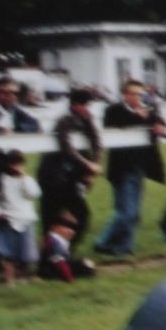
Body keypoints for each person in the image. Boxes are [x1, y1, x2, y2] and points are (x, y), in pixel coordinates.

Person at [95, 79, 166, 257]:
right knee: (126, 213)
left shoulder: (148, 110)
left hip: (139, 168)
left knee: (132, 213)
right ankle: (107, 243)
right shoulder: (113, 111)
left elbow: (160, 122)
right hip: (121, 169)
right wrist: (139, 117)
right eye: (134, 94)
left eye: (140, 94)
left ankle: (122, 246)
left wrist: (160, 125)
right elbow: (115, 127)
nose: (138, 98)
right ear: (125, 95)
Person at [43, 88, 105, 254]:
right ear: (75, 105)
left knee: (81, 215)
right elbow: (66, 148)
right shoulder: (64, 121)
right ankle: (52, 255)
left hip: (70, 179)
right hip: (53, 177)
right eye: (84, 104)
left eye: (88, 104)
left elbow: (97, 142)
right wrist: (88, 165)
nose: (87, 108)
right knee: (52, 217)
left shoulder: (86, 119)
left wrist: (94, 166)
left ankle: (64, 250)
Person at [0, 150, 41, 284]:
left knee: (26, 253)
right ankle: (10, 279)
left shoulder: (27, 180)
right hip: (9, 219)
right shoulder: (1, 181)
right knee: (8, 254)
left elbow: (34, 194)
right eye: (13, 164)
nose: (16, 167)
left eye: (19, 164)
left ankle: (24, 278)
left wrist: (23, 178)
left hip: (26, 219)